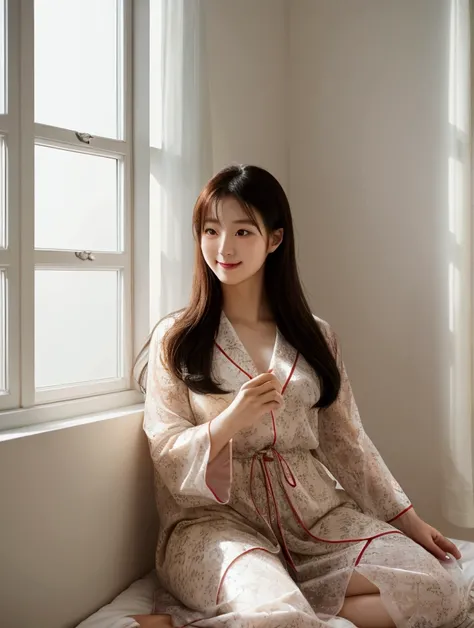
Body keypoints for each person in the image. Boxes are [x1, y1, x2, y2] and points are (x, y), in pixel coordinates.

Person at [131, 165, 472, 628]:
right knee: (276, 617)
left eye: (243, 231)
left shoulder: (316, 337)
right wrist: (230, 420)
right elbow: (166, 452)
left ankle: (292, 609)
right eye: (210, 230)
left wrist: (409, 521)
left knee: (442, 590)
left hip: (315, 517)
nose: (223, 247)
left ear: (274, 239)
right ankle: (273, 608)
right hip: (217, 526)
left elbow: (347, 441)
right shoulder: (177, 337)